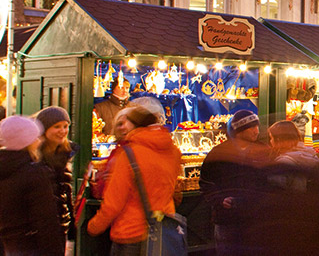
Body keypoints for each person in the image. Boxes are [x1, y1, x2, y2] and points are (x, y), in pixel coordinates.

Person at [87, 105, 182, 256]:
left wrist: (93, 226)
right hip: (163, 229)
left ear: (135, 125)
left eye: (124, 122)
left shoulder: (129, 154)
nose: (121, 127)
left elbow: (114, 201)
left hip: (131, 234)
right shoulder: (172, 151)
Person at [200, 110, 268, 256]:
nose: (256, 131)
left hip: (257, 219)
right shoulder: (219, 153)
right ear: (239, 130)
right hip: (227, 219)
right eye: (251, 127)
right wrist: (220, 200)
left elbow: (270, 181)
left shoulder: (264, 151)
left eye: (257, 126)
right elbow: (206, 183)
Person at [0, 116, 65, 256]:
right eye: (35, 137)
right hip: (31, 245)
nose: (39, 140)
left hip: (7, 244)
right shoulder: (34, 173)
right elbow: (46, 220)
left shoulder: (5, 167)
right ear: (27, 141)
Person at [35, 106, 78, 245]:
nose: (63, 131)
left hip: (60, 222)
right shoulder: (35, 155)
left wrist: (71, 221)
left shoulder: (66, 152)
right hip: (40, 224)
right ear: (44, 129)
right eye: (57, 126)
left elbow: (66, 190)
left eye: (66, 126)